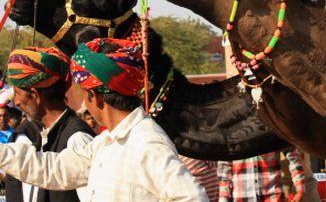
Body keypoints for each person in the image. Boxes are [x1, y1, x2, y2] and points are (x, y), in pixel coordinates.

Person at [0, 39, 209, 202]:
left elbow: (191, 197)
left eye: (84, 94)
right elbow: (55, 169)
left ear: (97, 97)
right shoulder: (105, 143)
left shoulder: (146, 143)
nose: (84, 102)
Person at [4, 46, 94, 202]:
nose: (16, 102)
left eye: (18, 94)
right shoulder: (44, 134)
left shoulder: (78, 139)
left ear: (35, 95)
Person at [217, 147, 306, 202]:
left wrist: (300, 191)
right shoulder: (231, 130)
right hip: (242, 198)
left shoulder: (272, 125)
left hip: (273, 198)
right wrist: (223, 199)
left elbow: (294, 156)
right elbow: (224, 170)